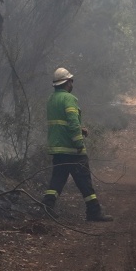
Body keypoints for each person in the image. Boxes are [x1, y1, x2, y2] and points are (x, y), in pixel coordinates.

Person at [42, 67, 113, 222]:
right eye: (71, 81)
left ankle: (47, 207)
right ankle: (94, 211)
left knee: (58, 179)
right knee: (84, 181)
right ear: (68, 82)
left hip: (58, 148)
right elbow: (72, 123)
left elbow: (61, 122)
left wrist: (81, 129)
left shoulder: (51, 99)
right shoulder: (69, 99)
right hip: (72, 149)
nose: (72, 83)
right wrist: (79, 143)